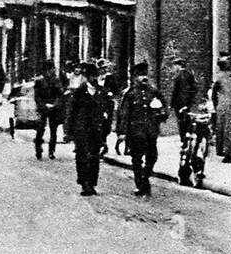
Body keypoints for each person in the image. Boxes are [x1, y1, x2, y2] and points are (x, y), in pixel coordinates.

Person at [116, 62, 167, 197]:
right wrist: (122, 132)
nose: (144, 77)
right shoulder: (130, 94)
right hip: (136, 131)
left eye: (145, 74)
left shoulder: (154, 92)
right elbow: (124, 114)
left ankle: (144, 179)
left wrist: (161, 113)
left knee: (152, 157)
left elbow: (164, 108)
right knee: (137, 159)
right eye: (140, 75)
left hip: (151, 130)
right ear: (135, 77)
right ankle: (140, 184)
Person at [66, 63, 107, 196]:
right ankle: (84, 183)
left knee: (94, 157)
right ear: (87, 77)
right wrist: (69, 131)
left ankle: (92, 182)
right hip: (81, 129)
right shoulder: (79, 92)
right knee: (82, 156)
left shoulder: (102, 92)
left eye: (96, 76)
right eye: (91, 76)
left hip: (96, 129)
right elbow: (71, 112)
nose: (94, 78)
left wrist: (105, 130)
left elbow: (106, 111)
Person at [32, 66, 65, 160]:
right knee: (40, 129)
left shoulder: (56, 81)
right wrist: (43, 105)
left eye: (52, 70)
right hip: (43, 108)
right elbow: (37, 96)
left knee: (53, 131)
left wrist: (54, 104)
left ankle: (51, 151)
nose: (51, 72)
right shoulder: (39, 81)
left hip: (54, 109)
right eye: (49, 70)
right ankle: (38, 150)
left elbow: (60, 94)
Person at [170, 56, 199, 143]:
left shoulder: (177, 77)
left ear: (178, 66)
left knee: (180, 120)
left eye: (175, 66)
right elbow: (195, 88)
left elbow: (175, 91)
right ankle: (189, 134)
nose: (174, 68)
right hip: (188, 102)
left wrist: (171, 104)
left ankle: (183, 138)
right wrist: (191, 98)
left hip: (179, 102)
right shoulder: (190, 74)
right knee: (187, 119)